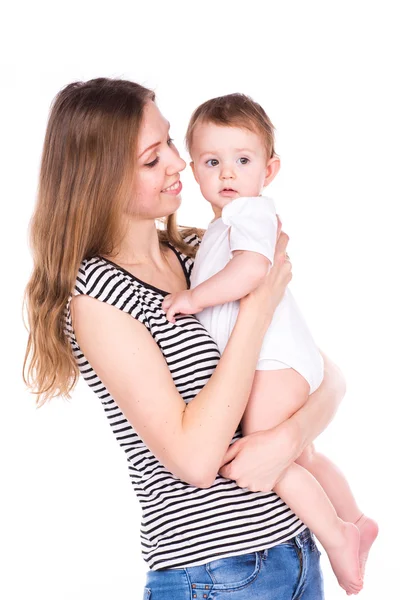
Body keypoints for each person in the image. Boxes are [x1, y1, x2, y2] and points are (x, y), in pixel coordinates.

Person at [23, 77, 349, 600]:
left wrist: (287, 441)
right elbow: (196, 461)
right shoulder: (97, 296)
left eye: (170, 143)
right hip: (214, 575)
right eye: (152, 159)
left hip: (295, 554)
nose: (179, 163)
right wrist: (257, 309)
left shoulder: (202, 256)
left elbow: (327, 376)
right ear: (99, 180)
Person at [162, 93, 378, 595]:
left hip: (273, 360)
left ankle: (337, 537)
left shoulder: (250, 214)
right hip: (282, 358)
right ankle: (355, 519)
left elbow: (253, 270)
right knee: (301, 454)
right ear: (195, 169)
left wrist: (195, 298)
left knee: (271, 459)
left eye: (243, 160)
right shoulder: (222, 225)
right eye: (213, 162)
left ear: (270, 169)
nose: (228, 174)